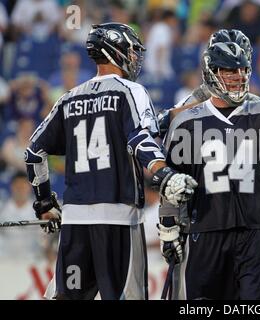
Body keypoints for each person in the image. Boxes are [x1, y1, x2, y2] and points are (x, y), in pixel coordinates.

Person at [24, 23, 197, 300]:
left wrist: (44, 204)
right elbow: (140, 138)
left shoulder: (69, 98)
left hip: (76, 222)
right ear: (115, 51)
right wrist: (164, 174)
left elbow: (33, 153)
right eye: (131, 50)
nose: (135, 57)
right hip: (119, 220)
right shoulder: (131, 90)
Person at [160, 38, 260, 299]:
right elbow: (171, 182)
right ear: (211, 72)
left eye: (242, 70)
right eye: (229, 70)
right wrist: (169, 228)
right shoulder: (187, 122)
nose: (238, 76)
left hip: (258, 231)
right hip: (207, 230)